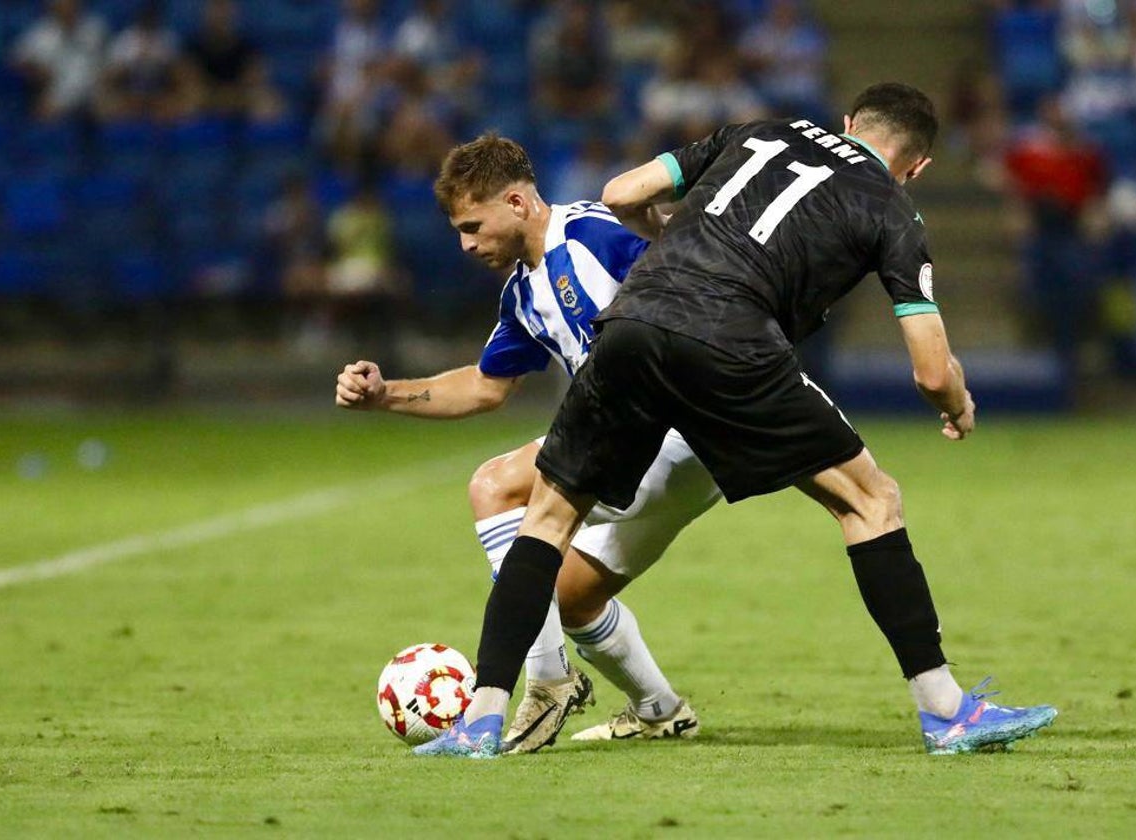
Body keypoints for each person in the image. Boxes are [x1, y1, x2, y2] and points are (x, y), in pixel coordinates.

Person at [417, 83, 1059, 759]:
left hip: (634, 322)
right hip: (733, 340)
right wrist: (955, 402)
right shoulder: (893, 208)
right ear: (917, 165)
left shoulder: (758, 132)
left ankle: (484, 718)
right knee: (871, 501)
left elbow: (622, 193)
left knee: (545, 520)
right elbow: (931, 371)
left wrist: (673, 245)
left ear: (847, 123)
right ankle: (947, 712)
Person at [335, 134, 722, 753]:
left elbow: (690, 274)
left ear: (516, 202)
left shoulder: (594, 235)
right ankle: (660, 710)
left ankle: (546, 683)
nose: (466, 245)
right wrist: (386, 394)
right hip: (678, 459)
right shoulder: (522, 290)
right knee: (568, 596)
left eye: (472, 225)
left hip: (673, 426)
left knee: (495, 485)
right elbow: (486, 387)